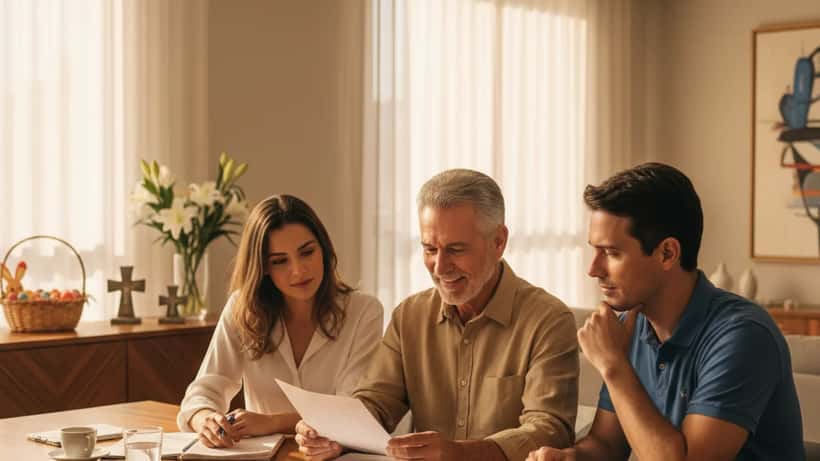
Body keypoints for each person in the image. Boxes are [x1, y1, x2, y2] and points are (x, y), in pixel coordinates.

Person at [296, 169, 579, 461]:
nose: (440, 267)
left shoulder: (548, 320)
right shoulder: (409, 316)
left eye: (456, 249)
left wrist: (461, 453)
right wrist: (335, 432)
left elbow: (549, 429)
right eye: (430, 249)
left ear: (498, 242)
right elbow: (377, 401)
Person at [527, 163, 804, 461]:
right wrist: (566, 458)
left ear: (667, 253)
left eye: (611, 253)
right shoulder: (628, 328)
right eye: (594, 250)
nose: (593, 269)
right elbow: (606, 447)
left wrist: (614, 366)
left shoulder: (744, 337)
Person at [177, 194, 384, 448]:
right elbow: (205, 389)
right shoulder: (243, 309)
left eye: (307, 252)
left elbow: (351, 411)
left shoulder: (364, 311)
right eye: (280, 261)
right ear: (263, 267)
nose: (298, 270)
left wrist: (271, 422)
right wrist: (205, 420)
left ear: (324, 249)